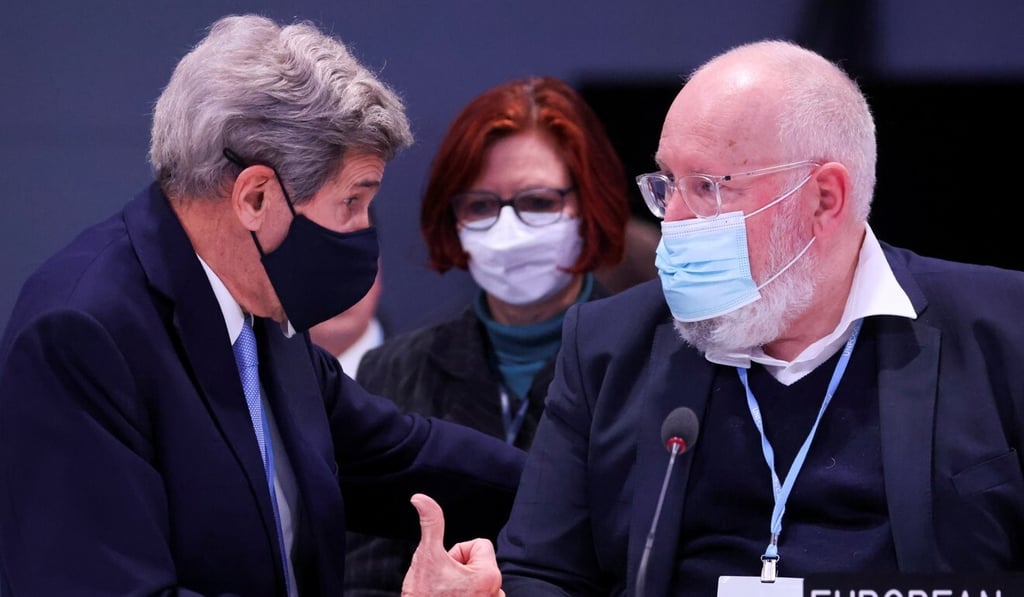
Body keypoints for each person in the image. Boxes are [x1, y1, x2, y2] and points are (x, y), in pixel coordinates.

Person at [0, 14, 524, 596]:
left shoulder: (259, 303)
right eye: (352, 201)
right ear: (255, 197)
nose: (362, 234)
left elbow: (394, 456)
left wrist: (579, 493)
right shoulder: (80, 334)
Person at [491, 39, 1024, 595]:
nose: (673, 218)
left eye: (708, 188)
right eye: (667, 184)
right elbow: (542, 572)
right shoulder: (606, 346)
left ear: (824, 198)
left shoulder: (1006, 332)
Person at [342, 75, 631, 594]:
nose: (507, 229)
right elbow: (366, 577)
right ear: (452, 220)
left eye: (538, 201)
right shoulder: (394, 368)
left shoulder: (653, 362)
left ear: (590, 205)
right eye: (479, 206)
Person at [309, 258, 386, 376]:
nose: (340, 291)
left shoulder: (415, 372)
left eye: (355, 269)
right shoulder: (273, 377)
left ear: (378, 279)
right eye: (320, 271)